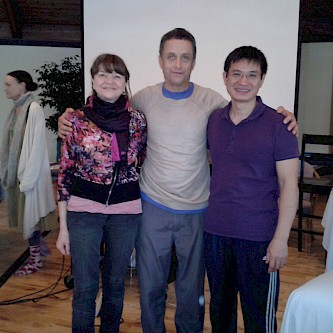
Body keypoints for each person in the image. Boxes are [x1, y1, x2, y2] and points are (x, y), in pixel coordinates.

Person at [58, 28, 298, 333]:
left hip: (198, 212)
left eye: (185, 57)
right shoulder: (143, 99)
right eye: (171, 56)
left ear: (194, 62)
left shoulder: (212, 103)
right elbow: (106, 107)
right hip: (153, 207)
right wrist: (68, 118)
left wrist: (286, 116)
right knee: (151, 288)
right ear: (160, 60)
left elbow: (248, 110)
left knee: (190, 292)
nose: (177, 64)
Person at [204, 46, 299, 333]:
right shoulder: (213, 121)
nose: (243, 82)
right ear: (225, 77)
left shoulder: (279, 125)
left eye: (251, 75)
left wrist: (281, 240)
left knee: (258, 316)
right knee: (220, 312)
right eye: (237, 74)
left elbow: (289, 186)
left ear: (261, 80)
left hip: (258, 236)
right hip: (216, 232)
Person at [56, 53, 147, 333]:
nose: (110, 80)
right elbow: (65, 172)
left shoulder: (138, 121)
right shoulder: (75, 121)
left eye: (117, 75)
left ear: (125, 82)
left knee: (115, 283)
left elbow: (140, 160)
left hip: (126, 212)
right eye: (103, 74)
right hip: (84, 211)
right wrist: (62, 228)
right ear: (93, 80)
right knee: (84, 286)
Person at [0, 70, 56, 276]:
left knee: (30, 218)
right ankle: (38, 250)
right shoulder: (16, 109)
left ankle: (34, 261)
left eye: (9, 84)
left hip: (28, 175)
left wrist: (28, 179)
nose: (5, 88)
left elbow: (36, 147)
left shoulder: (33, 109)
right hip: (17, 173)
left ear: (22, 85)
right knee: (27, 218)